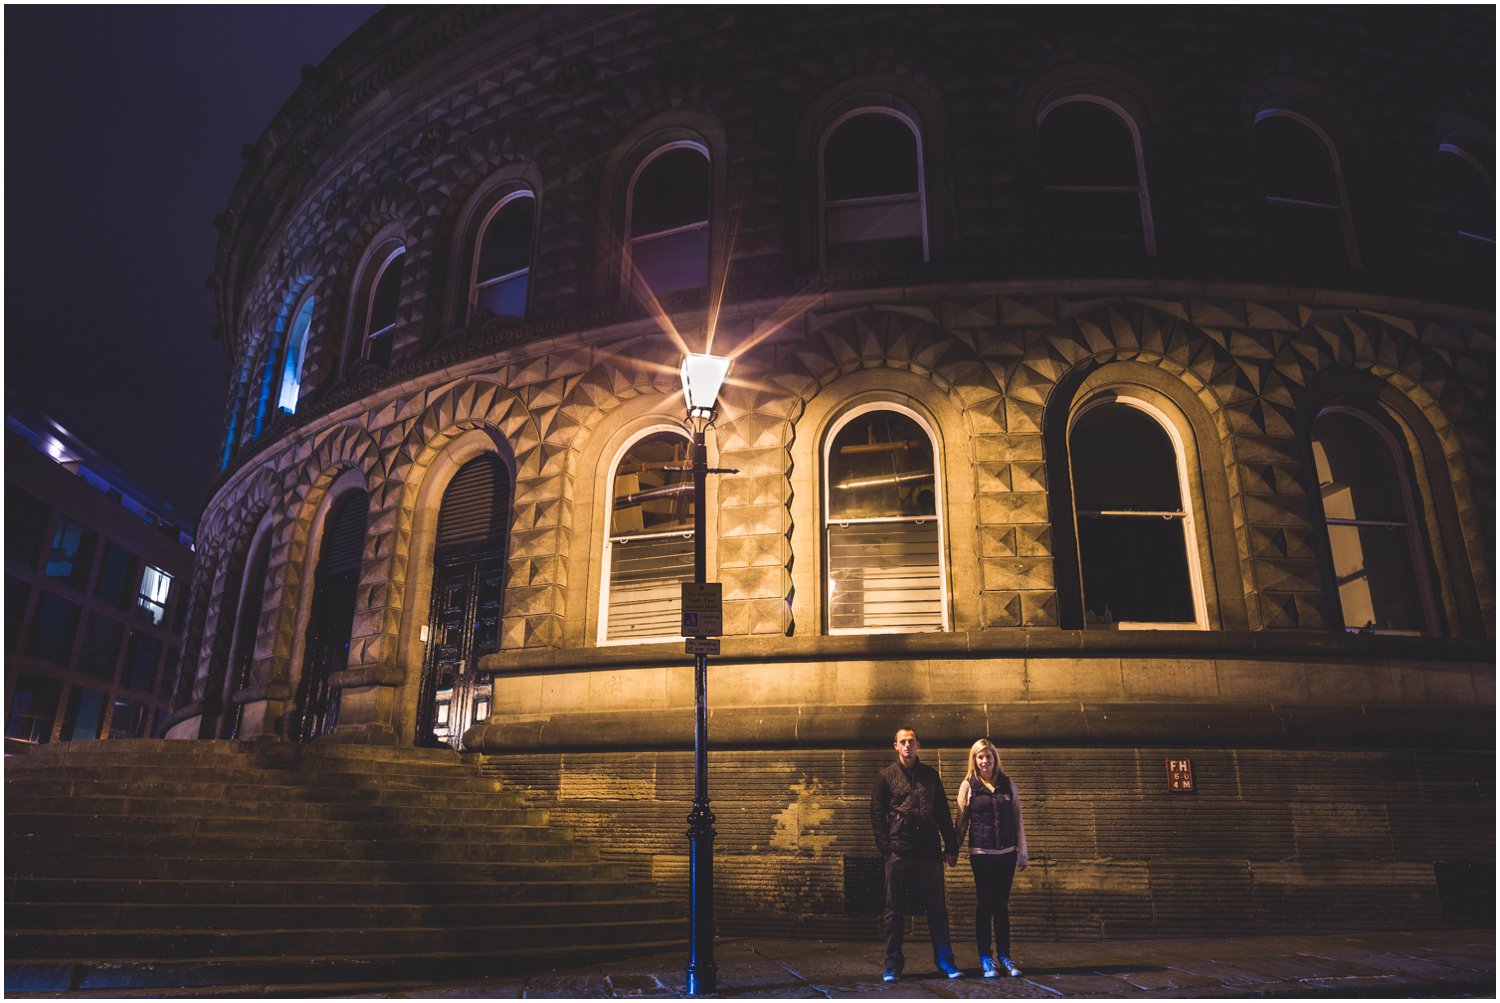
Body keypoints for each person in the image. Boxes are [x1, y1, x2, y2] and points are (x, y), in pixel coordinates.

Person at [870, 727, 962, 982]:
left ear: (918, 744)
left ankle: (945, 961)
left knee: (937, 909)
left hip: (929, 852)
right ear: (895, 746)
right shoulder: (885, 776)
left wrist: (951, 847)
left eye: (911, 741)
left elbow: (942, 813)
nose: (907, 745)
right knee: (893, 911)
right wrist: (886, 849)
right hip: (898, 851)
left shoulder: (930, 775)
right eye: (903, 742)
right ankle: (892, 964)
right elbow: (876, 815)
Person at [953, 738, 1028, 978]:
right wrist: (953, 850)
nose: (985, 761)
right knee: (985, 905)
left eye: (988, 756)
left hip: (1006, 854)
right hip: (982, 854)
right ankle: (986, 957)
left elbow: (1018, 820)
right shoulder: (968, 786)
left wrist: (1023, 851)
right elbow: (961, 821)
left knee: (1001, 906)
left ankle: (1005, 956)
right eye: (980, 757)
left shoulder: (1008, 785)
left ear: (995, 758)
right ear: (974, 760)